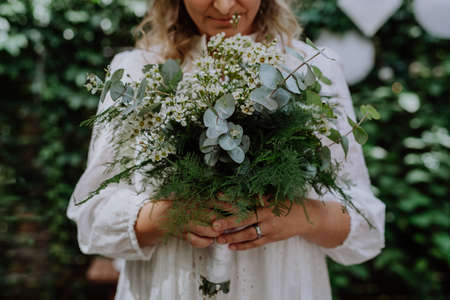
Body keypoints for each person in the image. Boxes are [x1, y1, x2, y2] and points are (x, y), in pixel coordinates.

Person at [67, 0, 386, 299]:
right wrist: (163, 217)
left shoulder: (310, 71)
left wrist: (300, 217)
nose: (223, 5)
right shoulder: (138, 71)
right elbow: (91, 218)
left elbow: (366, 226)